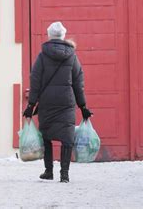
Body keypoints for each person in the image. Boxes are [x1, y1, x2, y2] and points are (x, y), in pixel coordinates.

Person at [23, 21, 92, 183]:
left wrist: (31, 105)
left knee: (46, 135)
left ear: (49, 36)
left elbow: (36, 81)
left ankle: (48, 171)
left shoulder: (42, 56)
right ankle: (65, 174)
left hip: (47, 102)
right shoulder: (72, 56)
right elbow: (78, 82)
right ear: (63, 36)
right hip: (66, 102)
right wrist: (83, 106)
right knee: (66, 138)